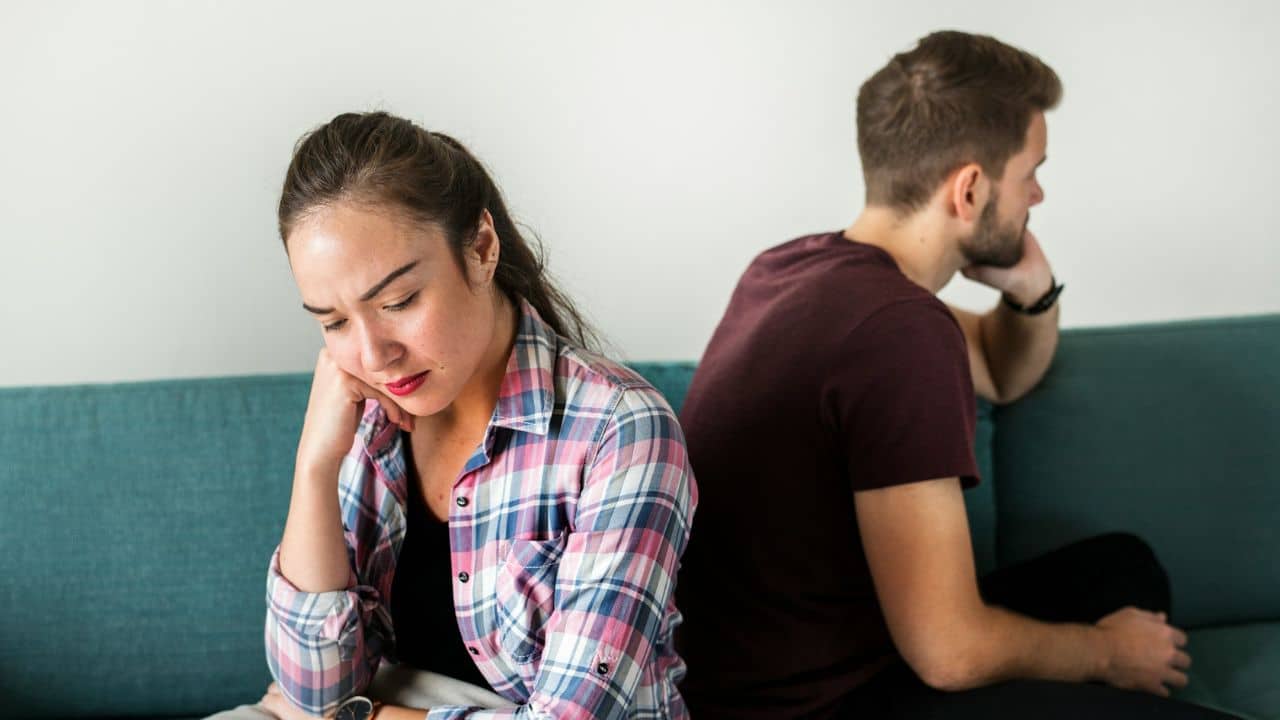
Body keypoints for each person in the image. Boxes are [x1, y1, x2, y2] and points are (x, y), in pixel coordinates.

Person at [674, 31, 1238, 719]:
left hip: (796, 657)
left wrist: (1032, 288)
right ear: (969, 188)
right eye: (1030, 170)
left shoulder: (793, 269)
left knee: (1124, 570)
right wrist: (1105, 654)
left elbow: (1003, 373)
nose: (1038, 192)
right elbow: (950, 653)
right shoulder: (897, 330)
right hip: (822, 701)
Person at [205, 111, 696, 720]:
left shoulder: (620, 431)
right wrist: (315, 466)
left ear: (482, 247)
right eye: (332, 321)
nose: (373, 354)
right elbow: (313, 689)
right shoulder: (366, 414)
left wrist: (369, 718)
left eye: (399, 301)